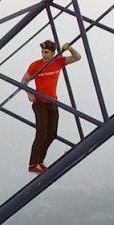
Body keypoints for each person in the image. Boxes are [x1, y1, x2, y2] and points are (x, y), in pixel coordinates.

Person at [22, 40, 80, 173]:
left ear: (53, 53)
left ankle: (39, 161)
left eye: (46, 52)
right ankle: (32, 164)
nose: (44, 54)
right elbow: (24, 80)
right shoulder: (36, 65)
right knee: (41, 133)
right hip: (40, 103)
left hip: (53, 103)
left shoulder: (58, 62)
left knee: (52, 134)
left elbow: (77, 57)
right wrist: (29, 93)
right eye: (42, 52)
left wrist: (69, 48)